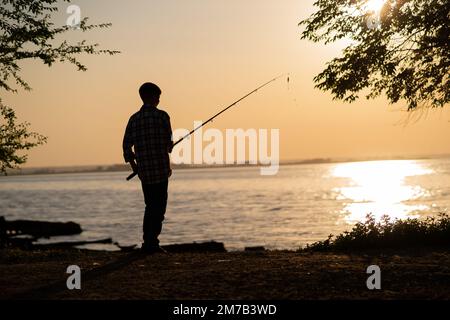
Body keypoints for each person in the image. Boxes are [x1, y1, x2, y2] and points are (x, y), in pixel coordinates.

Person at [123, 82, 173, 253]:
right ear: (152, 97)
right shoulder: (162, 116)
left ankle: (149, 242)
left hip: (144, 173)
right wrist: (169, 146)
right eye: (158, 96)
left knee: (150, 205)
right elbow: (168, 144)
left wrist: (134, 166)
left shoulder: (133, 119)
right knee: (159, 208)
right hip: (160, 170)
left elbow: (126, 146)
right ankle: (151, 243)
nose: (159, 100)